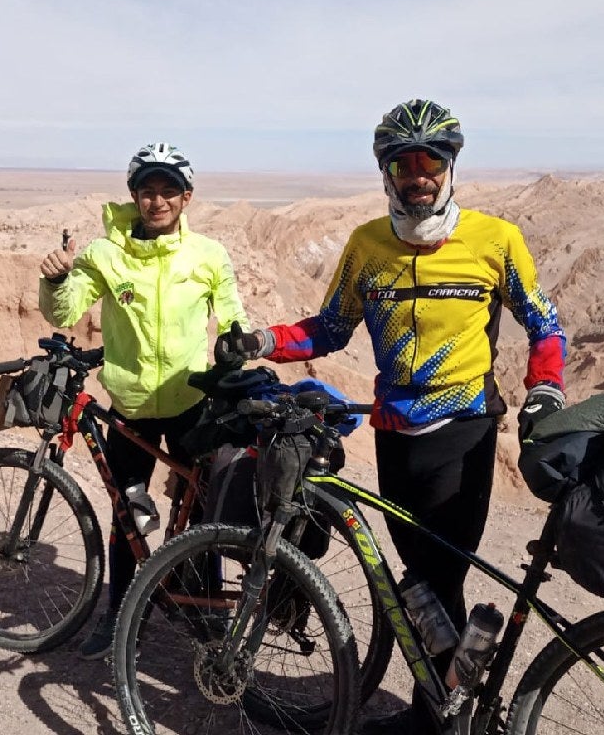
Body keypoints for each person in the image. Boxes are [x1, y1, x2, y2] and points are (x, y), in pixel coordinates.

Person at [216, 99, 567, 734]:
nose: (419, 174)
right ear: (387, 172)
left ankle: (441, 716)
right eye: (405, 163)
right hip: (394, 434)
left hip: (464, 431)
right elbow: (330, 329)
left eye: (432, 160)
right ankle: (448, 705)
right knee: (416, 580)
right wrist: (263, 341)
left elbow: (544, 324)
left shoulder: (496, 240)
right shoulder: (367, 245)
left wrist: (545, 390)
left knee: (443, 575)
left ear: (451, 166)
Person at [38, 142, 249, 660]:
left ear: (186, 197)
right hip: (130, 410)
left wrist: (235, 353)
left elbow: (233, 317)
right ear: (133, 195)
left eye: (168, 190)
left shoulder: (207, 255)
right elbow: (64, 312)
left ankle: (200, 608)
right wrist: (56, 278)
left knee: (200, 514)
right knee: (126, 516)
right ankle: (119, 614)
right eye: (147, 190)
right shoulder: (105, 255)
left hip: (190, 405)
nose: (157, 201)